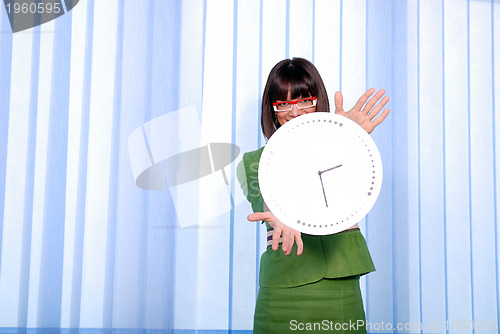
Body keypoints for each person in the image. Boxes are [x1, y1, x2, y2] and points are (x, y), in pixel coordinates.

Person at [236, 57, 389, 334]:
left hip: (339, 284)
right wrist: (282, 217)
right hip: (284, 287)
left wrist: (350, 138)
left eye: (305, 100)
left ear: (319, 101)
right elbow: (266, 204)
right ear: (271, 109)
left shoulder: (344, 148)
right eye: (283, 103)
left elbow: (355, 191)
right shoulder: (254, 161)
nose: (294, 112)